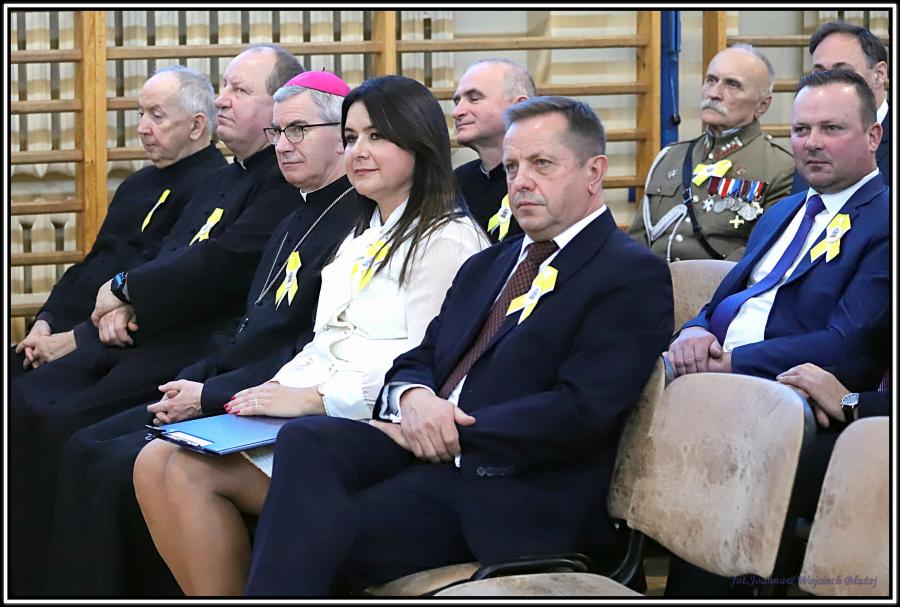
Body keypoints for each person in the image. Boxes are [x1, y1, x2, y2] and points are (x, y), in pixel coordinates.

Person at [240, 96, 674, 596]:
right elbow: (420, 357)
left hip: (513, 481)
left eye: (542, 164)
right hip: (432, 450)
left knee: (320, 529)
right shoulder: (491, 264)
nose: (521, 181)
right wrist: (413, 399)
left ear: (593, 172)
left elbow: (582, 409)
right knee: (306, 441)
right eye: (512, 167)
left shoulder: (627, 273)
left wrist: (451, 429)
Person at [133, 75, 489, 596]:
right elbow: (325, 341)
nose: (357, 152)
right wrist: (270, 390)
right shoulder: (364, 231)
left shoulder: (446, 241)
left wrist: (313, 399)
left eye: (376, 137)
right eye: (351, 137)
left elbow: (424, 367)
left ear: (418, 143)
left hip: (371, 425)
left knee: (190, 473)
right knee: (152, 460)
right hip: (315, 406)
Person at [43, 70, 361, 597]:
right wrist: (195, 379)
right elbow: (246, 322)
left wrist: (209, 393)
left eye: (298, 130)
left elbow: (306, 346)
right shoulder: (294, 216)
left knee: (114, 463)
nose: (284, 145)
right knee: (86, 446)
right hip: (223, 382)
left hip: (265, 399)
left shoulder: (355, 226)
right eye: (279, 132)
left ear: (342, 137)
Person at [664, 69, 889, 598]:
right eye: (802, 129)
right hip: (720, 383)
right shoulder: (783, 211)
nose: (812, 142)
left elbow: (846, 345)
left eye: (832, 128)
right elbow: (725, 301)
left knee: (720, 461)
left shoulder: (885, 219)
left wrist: (732, 364)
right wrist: (693, 331)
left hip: (796, 401)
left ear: (873, 136)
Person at [11, 66, 226, 378]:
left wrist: (71, 340)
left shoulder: (215, 186)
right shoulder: (137, 182)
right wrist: (45, 320)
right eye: (141, 114)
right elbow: (94, 260)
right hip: (61, 333)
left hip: (113, 343)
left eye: (156, 116)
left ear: (196, 126)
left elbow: (159, 279)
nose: (141, 128)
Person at [628, 44, 794, 262]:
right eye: (711, 80)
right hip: (655, 280)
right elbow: (638, 241)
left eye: (732, 85)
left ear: (763, 105)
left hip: (721, 283)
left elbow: (764, 254)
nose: (714, 93)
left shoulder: (780, 168)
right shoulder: (670, 158)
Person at [792, 20, 890, 192]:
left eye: (844, 73)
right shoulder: (809, 140)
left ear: (879, 74)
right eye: (820, 73)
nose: (829, 83)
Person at [452, 58, 535, 242]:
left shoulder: (543, 180)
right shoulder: (455, 183)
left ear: (519, 107)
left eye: (474, 99)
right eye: (457, 101)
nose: (457, 112)